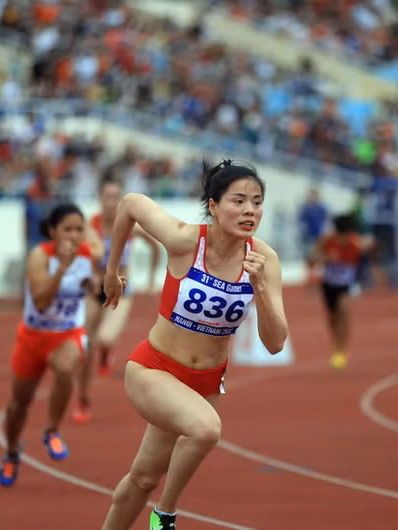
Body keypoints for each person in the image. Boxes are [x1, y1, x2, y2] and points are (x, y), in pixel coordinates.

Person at [100, 159, 288, 530]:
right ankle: (164, 517)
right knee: (206, 430)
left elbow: (275, 342)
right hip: (154, 369)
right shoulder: (186, 240)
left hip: (204, 382)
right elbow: (130, 204)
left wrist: (261, 289)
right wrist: (111, 272)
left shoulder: (265, 261)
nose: (250, 210)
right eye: (239, 201)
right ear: (214, 206)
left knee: (142, 479)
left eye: (257, 201)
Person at [0, 203, 100, 487]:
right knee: (19, 403)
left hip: (67, 333)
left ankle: (52, 430)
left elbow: (90, 282)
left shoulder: (86, 254)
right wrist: (61, 271)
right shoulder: (38, 257)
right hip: (33, 336)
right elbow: (41, 301)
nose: (74, 235)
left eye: (79, 229)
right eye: (67, 229)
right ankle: (10, 452)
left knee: (67, 367)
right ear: (53, 231)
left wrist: (100, 284)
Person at [72, 176, 161, 424]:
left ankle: (107, 352)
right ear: (100, 199)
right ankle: (83, 399)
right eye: (107, 197)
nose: (111, 203)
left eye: (116, 198)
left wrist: (153, 278)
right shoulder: (91, 225)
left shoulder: (131, 225)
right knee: (84, 346)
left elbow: (156, 247)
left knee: (105, 338)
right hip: (94, 290)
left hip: (123, 289)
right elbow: (79, 254)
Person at [310, 213, 373, 369]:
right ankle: (335, 341)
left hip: (346, 285)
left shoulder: (355, 244)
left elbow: (370, 250)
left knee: (344, 312)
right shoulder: (327, 241)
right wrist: (325, 258)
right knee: (332, 318)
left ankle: (341, 349)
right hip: (328, 284)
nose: (343, 240)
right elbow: (312, 259)